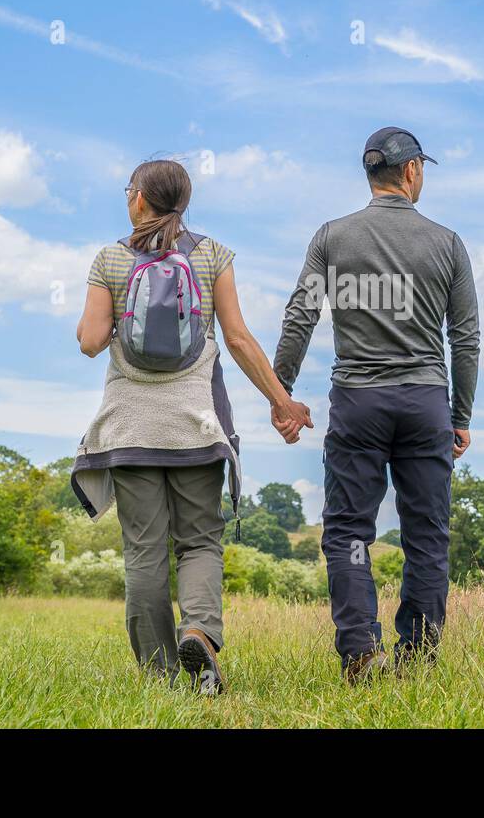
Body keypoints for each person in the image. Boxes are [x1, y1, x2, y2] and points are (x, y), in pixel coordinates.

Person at [71, 158, 312, 693]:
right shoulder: (210, 254)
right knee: (200, 542)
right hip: (197, 428)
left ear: (138, 199)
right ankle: (200, 632)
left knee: (144, 551)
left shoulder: (111, 258)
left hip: (129, 432)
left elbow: (90, 341)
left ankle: (160, 679)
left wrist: (106, 318)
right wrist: (282, 401)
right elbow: (239, 338)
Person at [273, 127, 480, 683]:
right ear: (412, 171)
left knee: (349, 532)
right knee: (426, 535)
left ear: (371, 174)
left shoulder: (331, 238)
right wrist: (460, 417)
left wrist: (282, 394)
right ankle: (416, 661)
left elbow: (300, 317)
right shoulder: (448, 243)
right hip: (425, 404)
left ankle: (362, 650)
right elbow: (465, 339)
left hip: (358, 403)